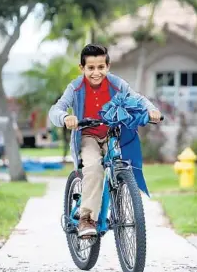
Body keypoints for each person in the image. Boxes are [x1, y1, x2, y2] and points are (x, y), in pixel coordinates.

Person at [49, 44, 161, 238]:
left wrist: (152, 110)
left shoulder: (117, 84)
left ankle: (121, 190)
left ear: (108, 66)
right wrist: (65, 118)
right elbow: (56, 109)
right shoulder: (75, 87)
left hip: (112, 133)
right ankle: (86, 218)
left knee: (121, 164)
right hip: (87, 135)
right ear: (82, 68)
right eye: (91, 68)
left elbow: (138, 98)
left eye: (101, 67)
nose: (96, 72)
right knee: (93, 168)